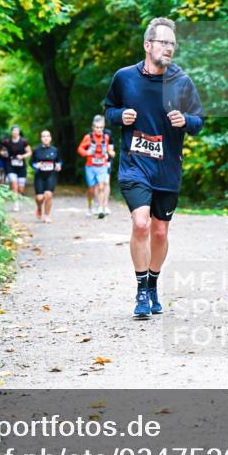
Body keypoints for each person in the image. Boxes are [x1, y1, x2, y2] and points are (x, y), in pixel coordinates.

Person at [104, 17, 204, 319]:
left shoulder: (182, 82)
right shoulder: (124, 77)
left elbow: (198, 121)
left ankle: (153, 284)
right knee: (141, 224)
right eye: (163, 42)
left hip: (167, 168)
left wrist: (185, 121)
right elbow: (109, 110)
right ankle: (140, 290)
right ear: (148, 45)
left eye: (172, 43)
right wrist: (121, 115)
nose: (169, 48)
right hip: (135, 166)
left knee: (160, 232)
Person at [78, 115, 116, 219]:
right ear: (93, 128)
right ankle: (89, 206)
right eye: (97, 128)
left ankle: (100, 208)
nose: (99, 130)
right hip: (90, 166)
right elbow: (80, 149)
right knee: (91, 189)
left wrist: (111, 152)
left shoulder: (106, 137)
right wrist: (86, 152)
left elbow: (109, 150)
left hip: (102, 166)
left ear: (103, 128)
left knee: (101, 186)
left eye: (101, 128)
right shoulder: (88, 137)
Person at [31, 129, 62, 223]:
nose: (46, 138)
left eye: (47, 136)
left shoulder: (55, 150)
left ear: (50, 138)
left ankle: (47, 215)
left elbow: (59, 161)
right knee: (39, 198)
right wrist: (36, 165)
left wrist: (59, 165)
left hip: (51, 175)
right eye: (43, 136)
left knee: (48, 195)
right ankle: (39, 207)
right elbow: (31, 162)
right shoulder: (36, 150)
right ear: (41, 138)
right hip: (39, 176)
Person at [3, 126, 32, 212]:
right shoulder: (7, 141)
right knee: (14, 183)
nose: (15, 132)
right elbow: (1, 151)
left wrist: (22, 156)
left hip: (21, 166)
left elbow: (30, 152)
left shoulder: (23, 141)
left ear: (19, 132)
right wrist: (4, 153)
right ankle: (16, 203)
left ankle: (18, 197)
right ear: (11, 132)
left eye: (17, 131)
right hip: (10, 165)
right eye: (13, 131)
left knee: (21, 188)